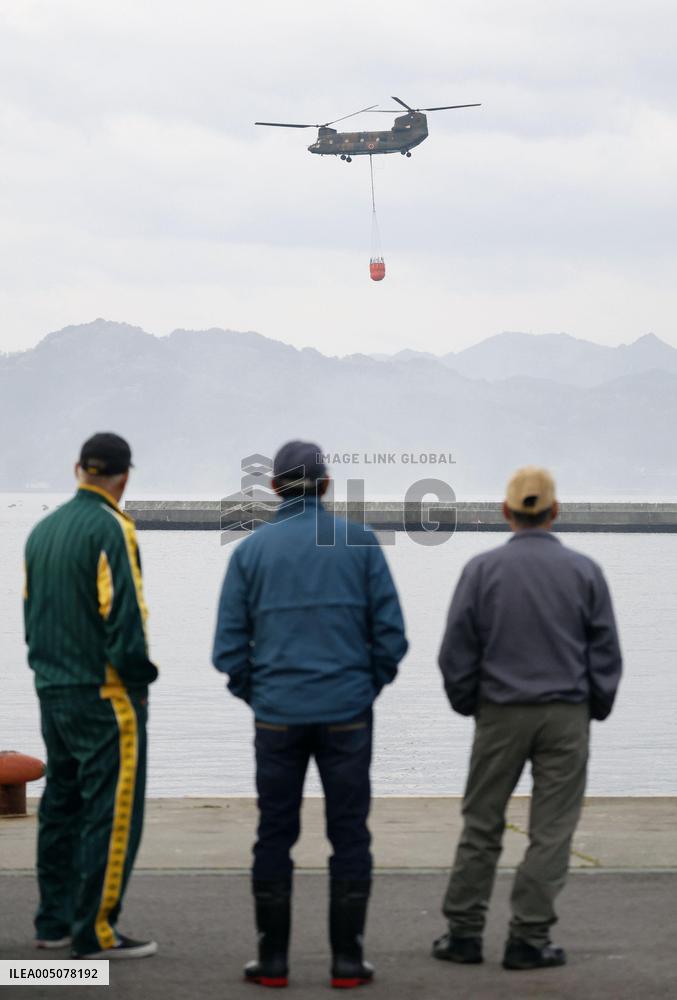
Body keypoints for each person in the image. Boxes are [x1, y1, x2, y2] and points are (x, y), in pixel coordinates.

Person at [213, 441, 408, 989]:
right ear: (326, 485)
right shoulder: (362, 543)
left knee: (274, 834)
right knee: (349, 835)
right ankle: (347, 963)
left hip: (276, 717)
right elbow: (391, 638)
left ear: (274, 487)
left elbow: (228, 651)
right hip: (347, 715)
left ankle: (272, 963)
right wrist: (364, 688)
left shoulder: (250, 552)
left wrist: (260, 695)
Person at [432, 466, 622, 971]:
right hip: (566, 714)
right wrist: (594, 706)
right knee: (552, 830)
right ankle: (529, 938)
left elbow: (456, 650)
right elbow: (605, 650)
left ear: (505, 511)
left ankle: (465, 934)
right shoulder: (585, 572)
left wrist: (470, 704)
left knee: (482, 823)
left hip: (500, 711)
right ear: (554, 512)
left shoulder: (481, 570)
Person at [24, 433, 158, 959]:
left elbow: (31, 615)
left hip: (52, 688)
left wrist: (45, 673)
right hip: (103, 694)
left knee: (60, 802)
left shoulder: (42, 531)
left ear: (77, 468)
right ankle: (96, 932)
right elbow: (124, 617)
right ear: (125, 477)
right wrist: (140, 682)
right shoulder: (113, 528)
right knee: (113, 808)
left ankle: (52, 920)